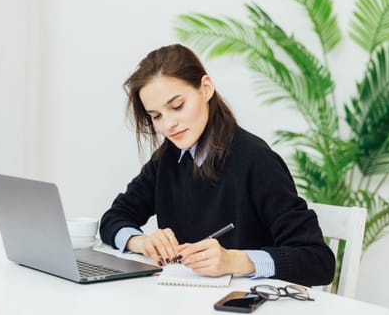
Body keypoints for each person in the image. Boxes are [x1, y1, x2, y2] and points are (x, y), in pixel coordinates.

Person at [99, 44, 335, 286]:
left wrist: (234, 261)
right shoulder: (168, 158)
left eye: (177, 106)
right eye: (156, 116)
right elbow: (113, 218)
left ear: (206, 89)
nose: (168, 125)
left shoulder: (257, 160)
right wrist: (141, 243)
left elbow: (319, 262)